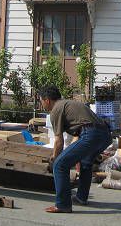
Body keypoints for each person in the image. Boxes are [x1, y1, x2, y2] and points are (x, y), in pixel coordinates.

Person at [40, 85, 112, 213]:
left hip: (91, 134)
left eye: (41, 101)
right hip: (105, 134)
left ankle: (63, 205)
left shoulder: (56, 110)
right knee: (85, 163)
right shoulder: (69, 104)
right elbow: (77, 135)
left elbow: (59, 141)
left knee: (60, 165)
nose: (42, 105)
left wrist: (55, 159)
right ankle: (81, 198)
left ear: (47, 100)